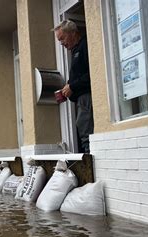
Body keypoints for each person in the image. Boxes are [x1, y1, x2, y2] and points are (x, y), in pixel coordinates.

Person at [53, 20, 94, 153]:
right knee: (83, 129)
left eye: (62, 38)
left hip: (87, 97)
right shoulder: (75, 50)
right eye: (59, 40)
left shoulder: (84, 45)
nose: (61, 43)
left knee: (86, 132)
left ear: (73, 33)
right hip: (81, 99)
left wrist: (72, 86)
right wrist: (68, 86)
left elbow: (93, 73)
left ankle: (90, 163)